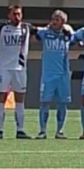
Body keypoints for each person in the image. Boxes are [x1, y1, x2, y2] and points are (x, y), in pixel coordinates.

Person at [0, 5, 32, 139]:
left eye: (19, 14)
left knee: (19, 100)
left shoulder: (27, 28)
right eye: (14, 14)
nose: (17, 17)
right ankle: (0, 130)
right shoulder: (1, 28)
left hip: (20, 68)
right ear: (9, 15)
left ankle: (20, 130)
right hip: (4, 68)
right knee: (1, 99)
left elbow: (46, 30)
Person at [35, 10, 74, 139]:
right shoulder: (45, 33)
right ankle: (42, 130)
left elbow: (76, 38)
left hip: (63, 74)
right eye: (53, 19)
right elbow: (35, 32)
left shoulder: (68, 34)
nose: (54, 22)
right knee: (44, 102)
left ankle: (60, 131)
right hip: (48, 74)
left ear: (63, 22)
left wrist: (67, 29)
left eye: (57, 19)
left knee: (62, 103)